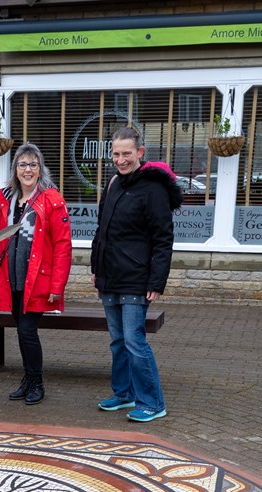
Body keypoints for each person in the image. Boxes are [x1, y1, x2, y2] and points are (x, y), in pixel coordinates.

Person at [90, 126, 182, 423]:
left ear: (140, 153)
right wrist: (95, 268)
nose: (120, 159)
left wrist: (157, 281)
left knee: (134, 341)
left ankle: (153, 403)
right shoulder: (114, 183)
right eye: (116, 154)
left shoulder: (153, 189)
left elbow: (163, 238)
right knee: (117, 341)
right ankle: (124, 393)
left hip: (137, 279)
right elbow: (101, 229)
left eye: (126, 153)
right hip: (110, 277)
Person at [0, 143, 72, 405]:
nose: (28, 169)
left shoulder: (52, 199)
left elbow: (63, 246)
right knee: (21, 331)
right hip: (13, 280)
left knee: (28, 332)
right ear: (15, 169)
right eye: (23, 164)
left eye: (33, 164)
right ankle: (28, 379)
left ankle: (37, 382)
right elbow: (1, 242)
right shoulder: (9, 199)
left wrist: (58, 285)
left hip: (38, 281)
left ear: (40, 168)